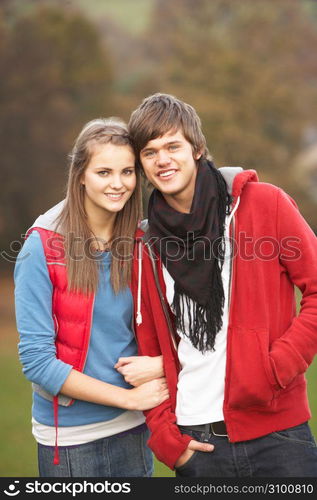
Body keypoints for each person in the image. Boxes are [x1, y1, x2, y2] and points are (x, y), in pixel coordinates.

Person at [126, 93, 317, 477]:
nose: (163, 160)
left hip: (279, 436)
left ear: (196, 148)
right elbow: (150, 347)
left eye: (172, 146)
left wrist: (278, 366)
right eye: (150, 152)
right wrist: (169, 441)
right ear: (142, 165)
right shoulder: (145, 245)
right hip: (198, 445)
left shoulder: (264, 204)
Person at [14, 118, 168, 477]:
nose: (118, 184)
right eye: (104, 172)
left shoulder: (143, 241)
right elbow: (37, 362)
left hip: (137, 427)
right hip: (72, 439)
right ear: (81, 174)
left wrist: (157, 369)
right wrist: (127, 398)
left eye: (127, 171)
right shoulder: (42, 247)